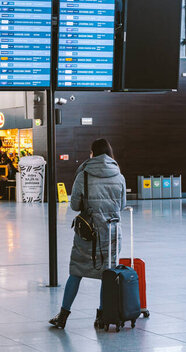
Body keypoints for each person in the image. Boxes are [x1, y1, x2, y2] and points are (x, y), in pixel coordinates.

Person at [49, 139, 126, 329]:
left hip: (88, 234)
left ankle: (63, 316)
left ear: (93, 153)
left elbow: (75, 205)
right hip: (112, 232)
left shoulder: (84, 174)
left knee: (76, 272)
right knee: (106, 274)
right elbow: (122, 206)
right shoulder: (119, 174)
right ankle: (102, 315)